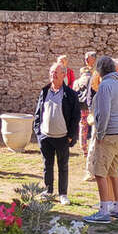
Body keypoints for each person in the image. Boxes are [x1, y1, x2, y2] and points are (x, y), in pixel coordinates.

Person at [84, 55, 118, 223]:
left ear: (100, 70)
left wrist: (100, 134)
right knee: (113, 172)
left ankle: (104, 210)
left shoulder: (105, 86)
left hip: (109, 134)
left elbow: (103, 113)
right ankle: (116, 207)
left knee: (99, 171)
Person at [33, 62, 79, 204]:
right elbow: (38, 112)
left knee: (63, 166)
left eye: (56, 72)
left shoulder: (70, 94)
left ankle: (63, 194)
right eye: (51, 72)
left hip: (62, 137)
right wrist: (38, 131)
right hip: (46, 136)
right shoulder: (45, 91)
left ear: (64, 75)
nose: (53, 74)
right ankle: (48, 191)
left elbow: (75, 116)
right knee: (47, 165)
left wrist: (71, 135)